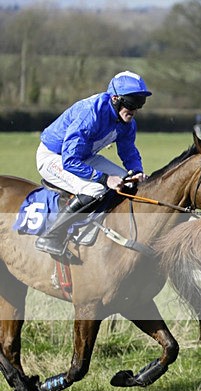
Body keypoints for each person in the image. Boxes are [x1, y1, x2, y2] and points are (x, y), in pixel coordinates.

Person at [34, 70, 151, 256]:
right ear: (115, 98)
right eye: (132, 102)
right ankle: (50, 236)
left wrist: (136, 171)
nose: (135, 109)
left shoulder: (127, 122)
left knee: (128, 183)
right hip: (54, 156)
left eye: (140, 103)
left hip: (85, 156)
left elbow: (128, 150)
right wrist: (104, 179)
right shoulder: (90, 115)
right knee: (95, 190)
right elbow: (70, 159)